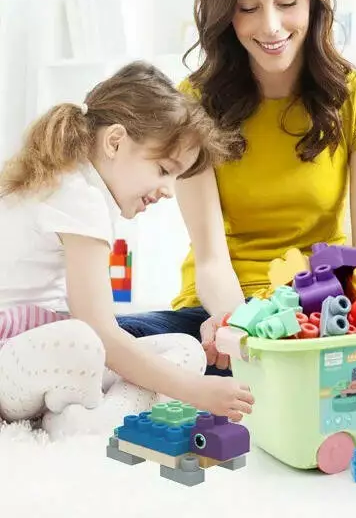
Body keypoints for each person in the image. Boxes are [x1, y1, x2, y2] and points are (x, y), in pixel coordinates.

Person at [117, 0, 356, 372]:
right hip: (219, 313)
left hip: (318, 316)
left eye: (287, 3)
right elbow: (210, 259)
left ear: (314, 1)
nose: (271, 26)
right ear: (226, 14)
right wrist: (238, 328)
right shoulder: (194, 102)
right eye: (247, 8)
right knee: (105, 339)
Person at [0, 61, 254, 438]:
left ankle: (82, 418)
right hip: (15, 356)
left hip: (40, 355)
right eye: (164, 170)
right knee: (86, 342)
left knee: (185, 349)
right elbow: (99, 331)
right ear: (115, 141)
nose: (168, 191)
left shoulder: (81, 187)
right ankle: (82, 420)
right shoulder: (78, 195)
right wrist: (196, 391)